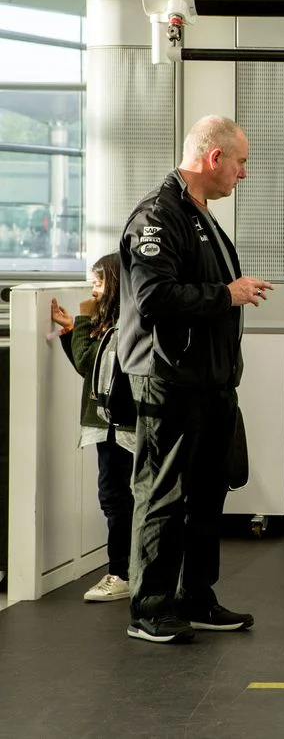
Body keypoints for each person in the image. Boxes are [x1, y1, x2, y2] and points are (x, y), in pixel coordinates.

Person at [118, 114, 274, 644]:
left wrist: (229, 291)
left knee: (208, 494)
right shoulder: (158, 217)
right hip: (170, 381)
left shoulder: (200, 215)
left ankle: (195, 597)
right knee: (163, 493)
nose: (243, 173)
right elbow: (153, 298)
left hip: (210, 382)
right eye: (241, 162)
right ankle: (150, 609)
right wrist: (225, 295)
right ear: (214, 159)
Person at [49, 253, 135, 603]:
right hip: (114, 424)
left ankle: (121, 572)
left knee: (115, 498)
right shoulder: (116, 323)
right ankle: (128, 569)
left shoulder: (116, 326)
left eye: (97, 283)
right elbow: (91, 371)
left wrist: (82, 318)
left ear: (113, 284)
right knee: (120, 498)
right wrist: (73, 329)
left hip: (117, 425)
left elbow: (89, 364)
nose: (93, 291)